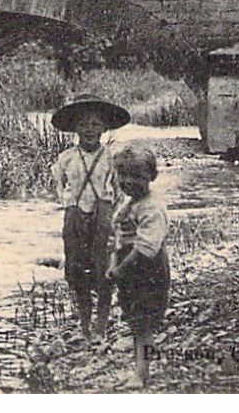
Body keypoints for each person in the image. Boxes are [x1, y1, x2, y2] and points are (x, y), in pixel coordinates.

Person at [50, 94, 129, 343]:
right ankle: (84, 323)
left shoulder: (111, 159)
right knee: (76, 269)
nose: (89, 130)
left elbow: (118, 191)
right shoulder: (65, 159)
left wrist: (109, 216)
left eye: (95, 124)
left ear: (104, 128)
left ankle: (101, 325)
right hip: (74, 215)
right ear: (75, 128)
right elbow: (60, 186)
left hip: (103, 215)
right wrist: (73, 208)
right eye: (84, 124)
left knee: (104, 269)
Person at [108, 144, 170, 390]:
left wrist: (121, 270)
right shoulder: (131, 203)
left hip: (147, 270)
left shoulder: (152, 208)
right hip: (130, 266)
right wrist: (114, 262)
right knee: (135, 319)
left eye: (137, 176)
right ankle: (144, 362)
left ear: (151, 177)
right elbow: (120, 236)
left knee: (142, 322)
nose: (128, 182)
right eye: (123, 176)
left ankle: (141, 374)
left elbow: (146, 248)